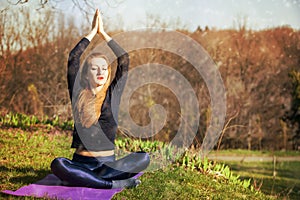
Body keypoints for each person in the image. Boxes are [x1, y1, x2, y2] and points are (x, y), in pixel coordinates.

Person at [50, 9, 150, 189]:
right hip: (81, 165)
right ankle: (112, 185)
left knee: (144, 157)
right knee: (58, 164)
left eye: (104, 68)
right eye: (95, 68)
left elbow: (124, 59)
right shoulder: (78, 94)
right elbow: (73, 58)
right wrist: (91, 33)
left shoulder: (113, 94)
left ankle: (100, 181)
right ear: (86, 73)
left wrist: (103, 33)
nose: (100, 72)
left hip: (108, 167)